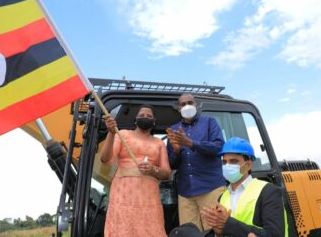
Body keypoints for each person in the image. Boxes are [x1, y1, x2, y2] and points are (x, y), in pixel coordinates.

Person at [99, 104, 171, 237]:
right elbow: (105, 159)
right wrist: (111, 133)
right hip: (123, 195)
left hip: (148, 198)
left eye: (149, 116)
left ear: (154, 121)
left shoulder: (159, 143)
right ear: (135, 119)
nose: (145, 117)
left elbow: (166, 173)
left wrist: (153, 170)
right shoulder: (122, 134)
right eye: (142, 115)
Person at [201, 137, 288, 237]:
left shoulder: (268, 192)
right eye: (224, 162)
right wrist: (218, 232)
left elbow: (275, 234)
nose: (227, 166)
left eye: (233, 161)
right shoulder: (222, 197)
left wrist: (228, 223)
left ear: (248, 165)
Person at [166, 93, 227, 231]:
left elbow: (218, 147)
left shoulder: (210, 122)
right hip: (186, 194)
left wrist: (190, 143)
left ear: (196, 105)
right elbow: (171, 164)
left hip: (210, 188)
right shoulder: (174, 129)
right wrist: (176, 151)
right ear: (178, 108)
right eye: (183, 104)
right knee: (189, 233)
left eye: (190, 102)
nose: (187, 106)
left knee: (215, 231)